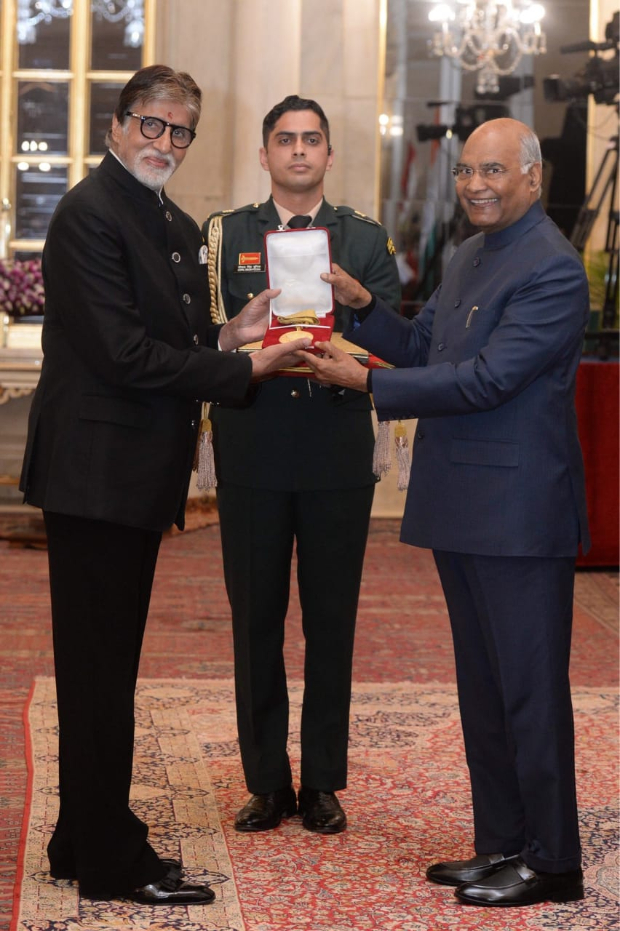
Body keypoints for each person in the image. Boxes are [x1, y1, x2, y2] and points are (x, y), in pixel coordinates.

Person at [19, 65, 308, 907]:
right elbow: (124, 355)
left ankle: (81, 835)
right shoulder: (87, 215)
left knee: (107, 667)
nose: (165, 143)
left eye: (180, 131)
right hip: (94, 476)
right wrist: (238, 364)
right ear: (118, 124)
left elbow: (167, 340)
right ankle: (108, 857)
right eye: (152, 125)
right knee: (98, 671)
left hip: (136, 477)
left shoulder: (171, 222)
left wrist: (231, 331)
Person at [298, 118, 589, 907]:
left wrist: (364, 385)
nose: (476, 185)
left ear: (533, 178)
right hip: (465, 502)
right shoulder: (468, 253)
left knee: (528, 691)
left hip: (521, 513)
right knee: (483, 689)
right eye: (465, 172)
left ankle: (554, 860)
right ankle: (502, 843)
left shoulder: (554, 271)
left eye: (493, 171)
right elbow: (427, 348)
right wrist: (359, 311)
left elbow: (487, 380)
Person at [202, 95, 400, 835]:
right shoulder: (226, 237)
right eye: (284, 139)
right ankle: (265, 782)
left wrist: (354, 295)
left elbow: (390, 328)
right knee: (254, 621)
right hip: (252, 444)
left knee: (331, 623)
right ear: (264, 155)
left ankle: (321, 780)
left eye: (311, 139)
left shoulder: (364, 237)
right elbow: (207, 332)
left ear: (327, 153)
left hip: (333, 448)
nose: (298, 151)